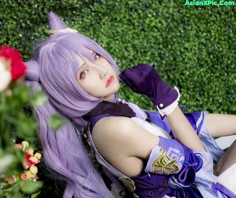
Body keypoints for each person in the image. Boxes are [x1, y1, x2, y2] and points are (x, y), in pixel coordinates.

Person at [24, 12, 236, 198]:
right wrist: (165, 100)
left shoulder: (110, 112)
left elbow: (180, 126)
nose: (101, 70)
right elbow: (202, 167)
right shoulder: (113, 128)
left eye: (95, 56)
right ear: (67, 89)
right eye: (83, 73)